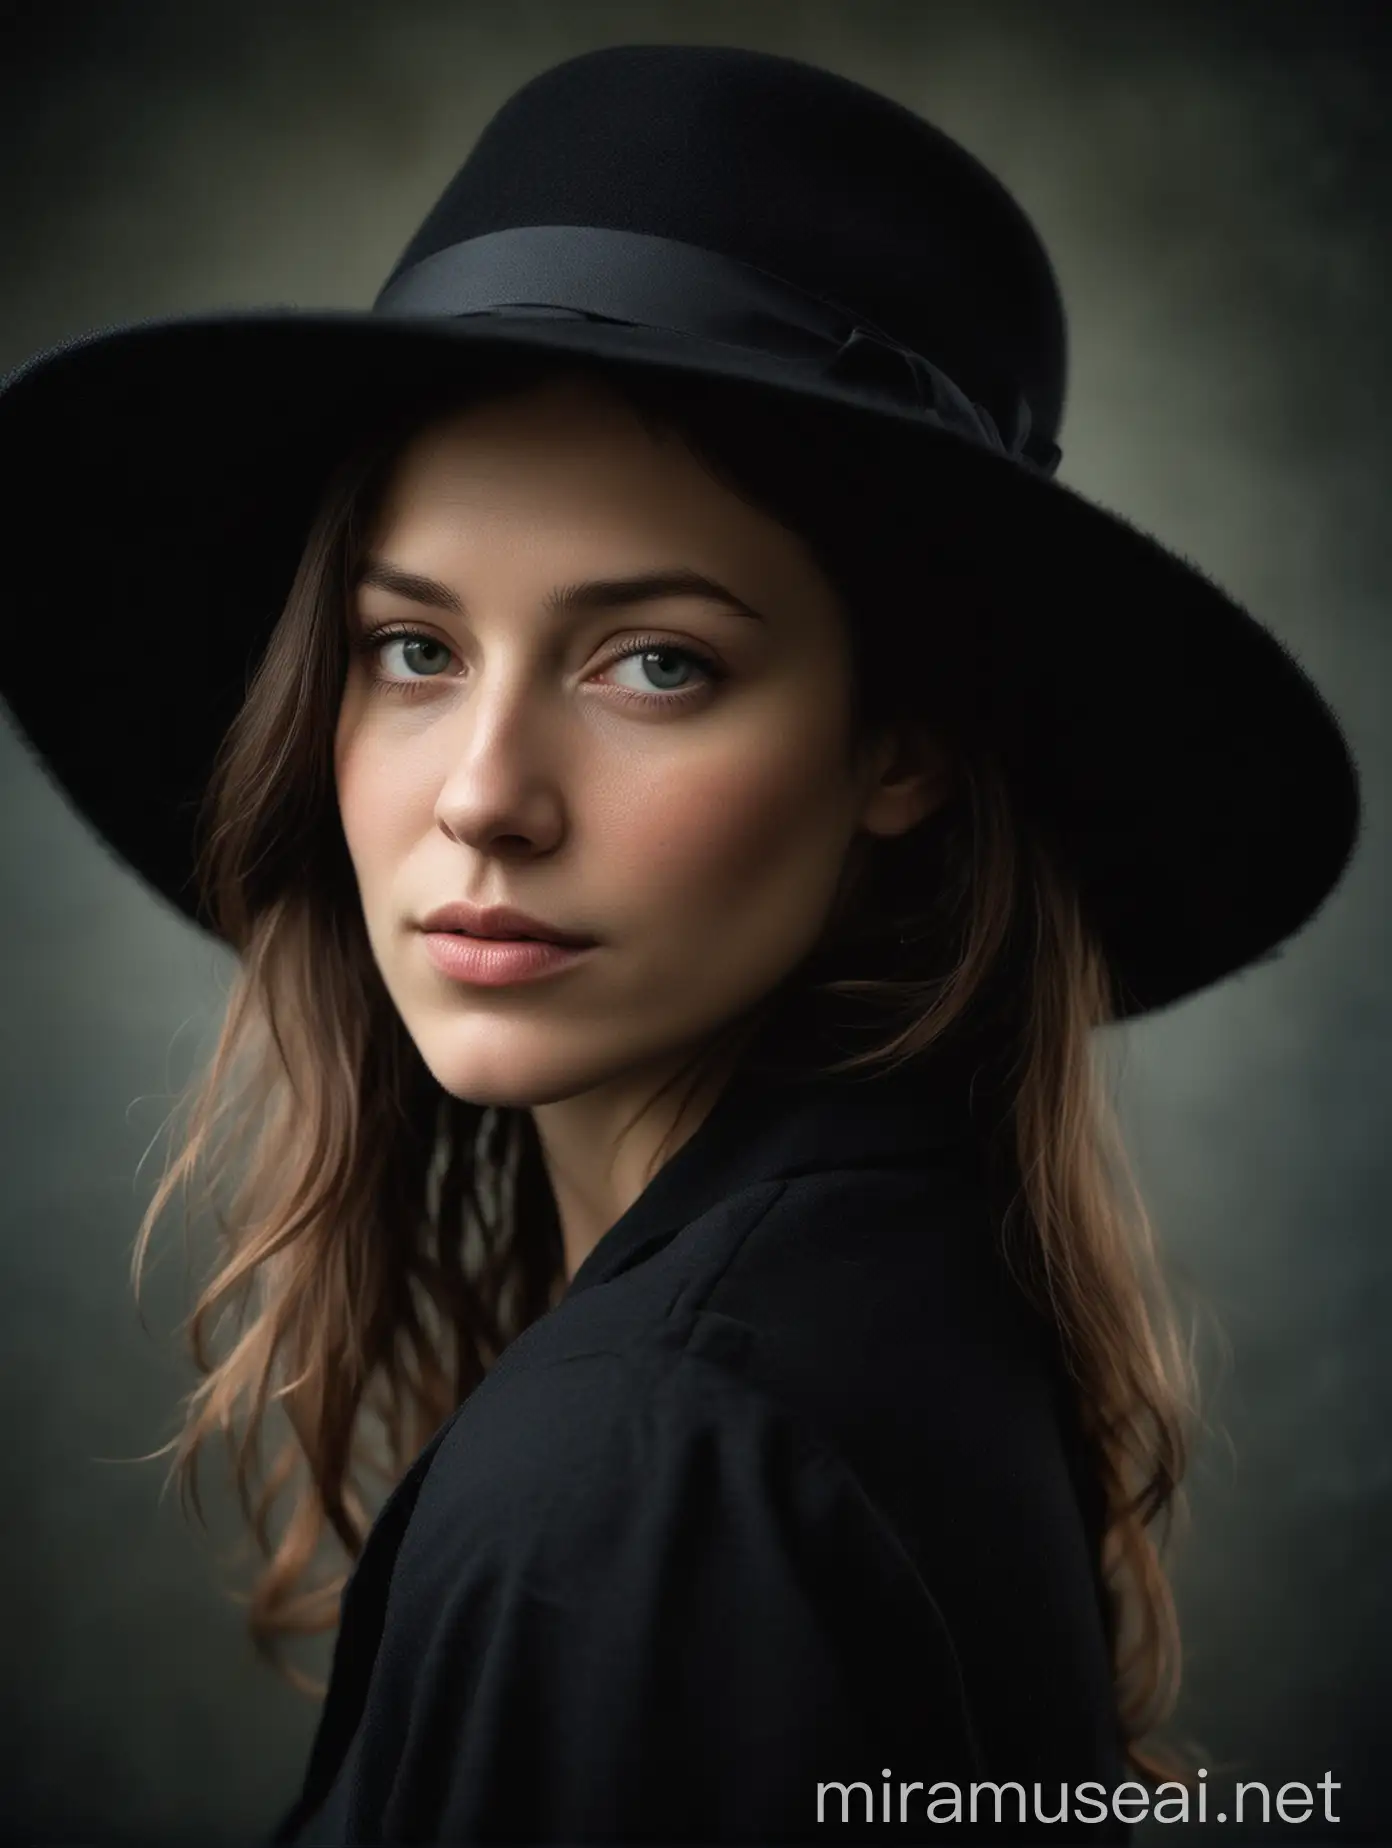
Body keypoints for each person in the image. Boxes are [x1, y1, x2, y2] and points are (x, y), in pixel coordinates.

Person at [0, 42, 1359, 1848]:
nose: (484, 797)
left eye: (657, 662)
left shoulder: (656, 1465)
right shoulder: (886, 1297)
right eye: (413, 648)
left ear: (905, 745)